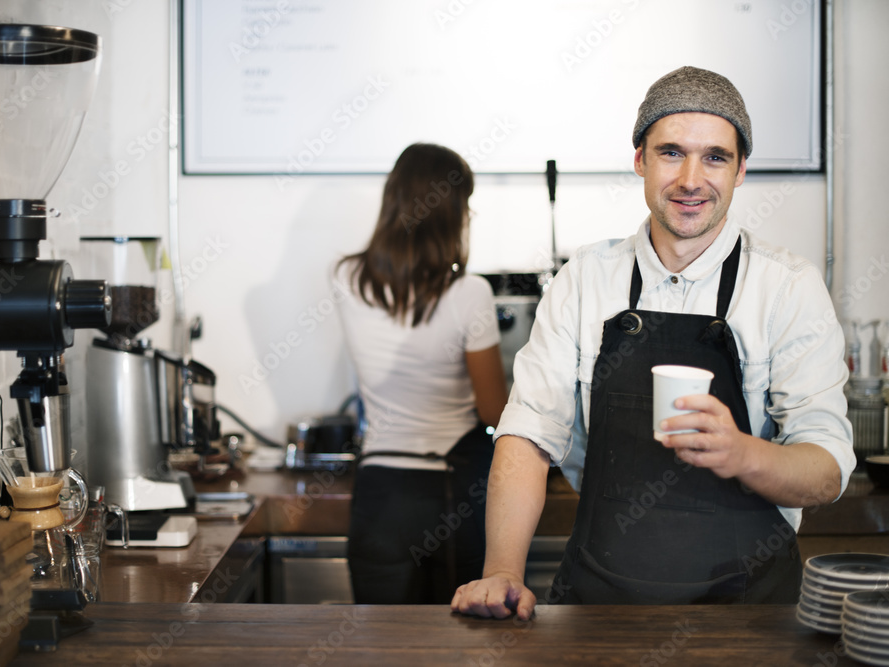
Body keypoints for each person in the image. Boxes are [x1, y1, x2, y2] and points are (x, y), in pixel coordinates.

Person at [451, 66, 855, 617]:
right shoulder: (585, 279)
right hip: (599, 606)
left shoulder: (786, 288)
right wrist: (501, 571)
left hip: (749, 613)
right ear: (639, 159)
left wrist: (741, 453)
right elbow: (526, 436)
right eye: (671, 153)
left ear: (740, 171)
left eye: (715, 156)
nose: (692, 178)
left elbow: (826, 469)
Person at [333, 142, 508, 604]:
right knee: (457, 647)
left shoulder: (347, 278)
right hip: (451, 494)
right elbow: (494, 410)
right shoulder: (471, 293)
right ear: (451, 212)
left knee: (381, 649)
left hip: (379, 495)